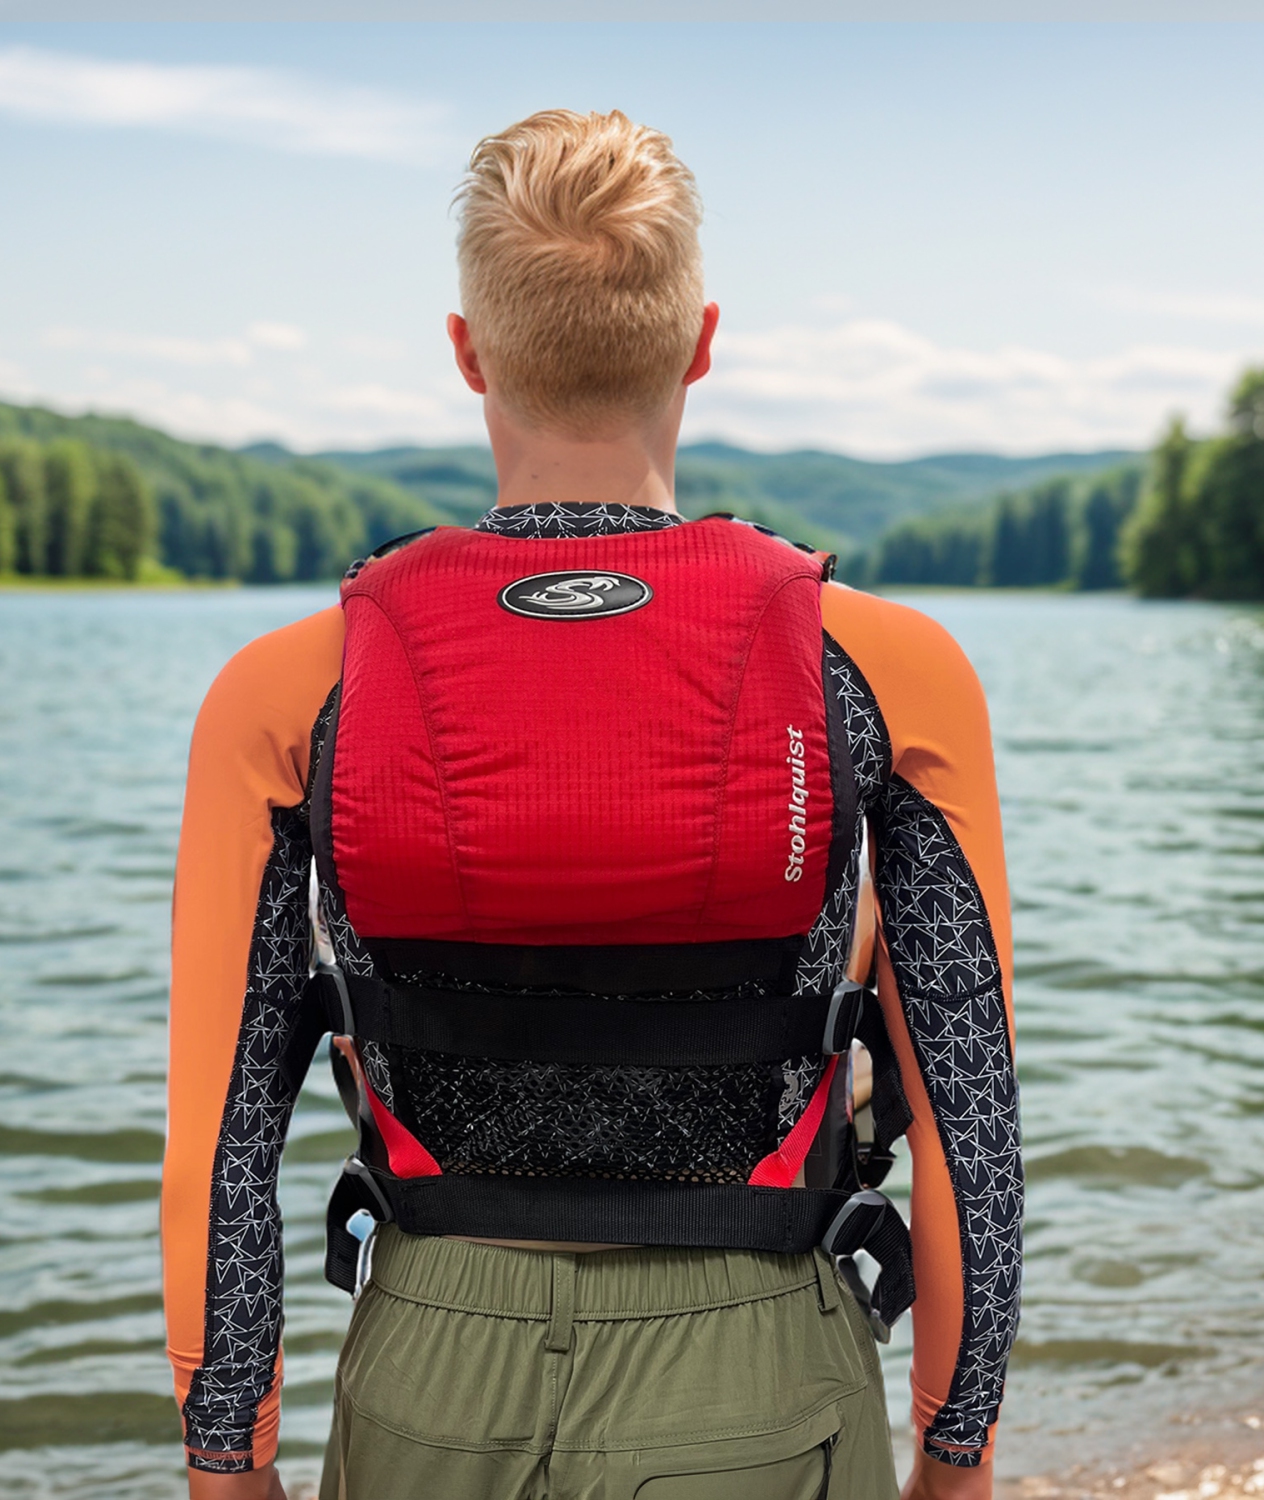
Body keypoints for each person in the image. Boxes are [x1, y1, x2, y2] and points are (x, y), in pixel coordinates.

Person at [162, 109, 1022, 1500]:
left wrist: (227, 1459)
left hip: (431, 1372)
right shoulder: (887, 665)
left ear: (468, 352)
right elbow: (970, 1114)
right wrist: (956, 1444)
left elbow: (219, 1134)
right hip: (760, 1367)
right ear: (700, 343)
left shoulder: (288, 687)